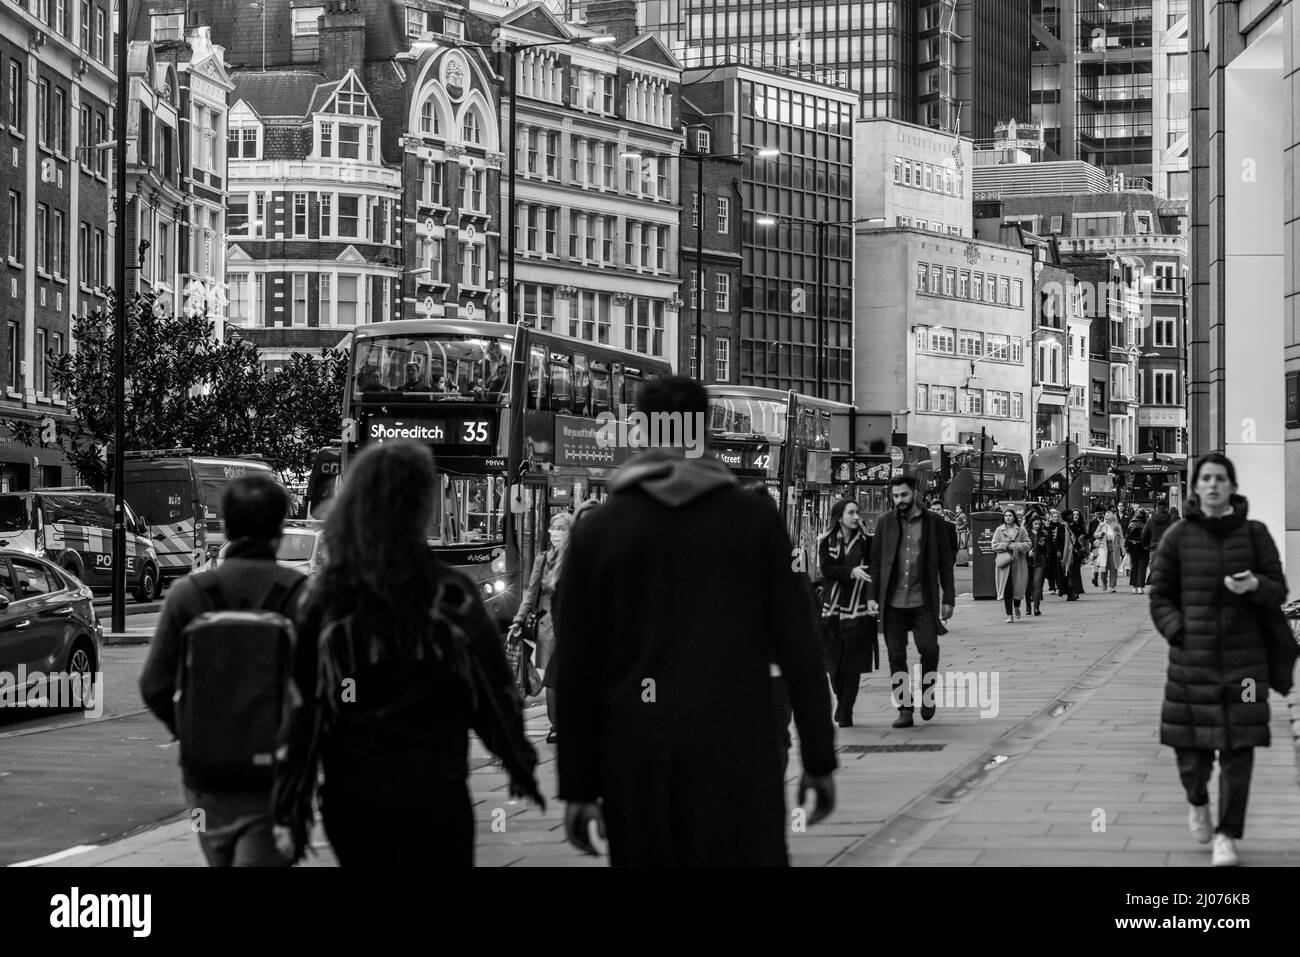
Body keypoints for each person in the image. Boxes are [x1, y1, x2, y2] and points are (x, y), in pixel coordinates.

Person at [553, 376, 836, 866]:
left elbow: (576, 667)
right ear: (703, 429)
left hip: (639, 758)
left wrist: (577, 786)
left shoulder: (599, 531)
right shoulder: (754, 521)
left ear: (640, 431)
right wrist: (818, 757)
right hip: (737, 751)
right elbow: (799, 644)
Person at [273, 441, 541, 866]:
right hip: (435, 788)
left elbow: (305, 705)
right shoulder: (451, 596)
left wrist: (293, 796)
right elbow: (491, 689)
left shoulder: (326, 600)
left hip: (353, 794)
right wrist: (515, 757)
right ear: (421, 507)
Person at [140, 475, 309, 867]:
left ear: (227, 526)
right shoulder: (301, 595)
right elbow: (322, 690)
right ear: (280, 529)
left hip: (207, 776)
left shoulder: (189, 594)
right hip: (274, 778)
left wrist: (192, 733)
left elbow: (153, 685)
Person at [1147, 452, 1289, 867]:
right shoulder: (1177, 536)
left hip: (1246, 668)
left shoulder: (1256, 534)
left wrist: (1254, 585)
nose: (1212, 485)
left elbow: (1277, 590)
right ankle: (1197, 799)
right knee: (1190, 751)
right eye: (1205, 478)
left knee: (1239, 749)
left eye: (1220, 478)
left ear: (1231, 485)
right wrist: (1178, 631)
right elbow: (1160, 596)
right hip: (1193, 663)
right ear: (1196, 486)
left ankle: (1226, 834)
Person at [866, 474, 956, 729]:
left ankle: (928, 696)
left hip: (922, 601)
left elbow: (945, 563)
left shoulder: (933, 523)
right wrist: (872, 596)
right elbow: (875, 563)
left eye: (904, 495)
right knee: (896, 656)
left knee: (929, 649)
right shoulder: (885, 522)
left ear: (915, 493)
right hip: (893, 603)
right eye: (895, 496)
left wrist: (948, 598)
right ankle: (904, 708)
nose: (899, 500)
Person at [510, 511, 573, 744]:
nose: (556, 533)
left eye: (561, 528)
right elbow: (531, 594)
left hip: (573, 629)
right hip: (549, 629)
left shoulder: (577, 558)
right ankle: (557, 725)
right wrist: (518, 619)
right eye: (553, 528)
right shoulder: (543, 560)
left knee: (564, 679)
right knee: (553, 680)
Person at [818, 499, 878, 728]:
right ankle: (842, 700)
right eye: (850, 512)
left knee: (852, 665)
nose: (856, 516)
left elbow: (873, 570)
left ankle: (845, 710)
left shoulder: (866, 542)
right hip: (832, 610)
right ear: (839, 516)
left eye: (857, 512)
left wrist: (873, 598)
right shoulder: (826, 542)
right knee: (834, 667)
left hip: (859, 610)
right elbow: (826, 569)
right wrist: (850, 572)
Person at [991, 508, 1031, 623]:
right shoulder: (999, 530)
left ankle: (1017, 606)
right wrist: (1005, 545)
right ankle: (1009, 615)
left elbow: (1028, 544)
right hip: (1005, 563)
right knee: (1007, 589)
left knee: (1018, 588)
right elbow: (993, 545)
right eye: (1006, 515)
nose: (1007, 517)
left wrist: (1016, 546)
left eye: (1010, 515)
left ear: (1014, 517)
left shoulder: (1021, 530)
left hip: (1018, 563)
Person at [1026, 513, 1053, 616]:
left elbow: (1048, 550)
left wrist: (1043, 546)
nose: (1037, 525)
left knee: (1037, 584)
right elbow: (1022, 546)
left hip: (1039, 562)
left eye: (1038, 524)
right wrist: (1027, 551)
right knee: (1028, 586)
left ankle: (1036, 607)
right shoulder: (1026, 534)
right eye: (1035, 524)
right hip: (1027, 562)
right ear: (1031, 524)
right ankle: (1028, 606)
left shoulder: (1043, 534)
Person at [1093, 510, 1126, 593]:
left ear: (1112, 516)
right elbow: (1095, 534)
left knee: (1113, 567)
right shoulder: (1102, 525)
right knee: (1103, 568)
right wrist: (1101, 533)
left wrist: (1123, 548)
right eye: (1106, 515)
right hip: (1104, 547)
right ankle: (1104, 582)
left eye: (1108, 515)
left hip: (1114, 548)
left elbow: (1122, 537)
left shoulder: (1117, 526)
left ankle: (1112, 586)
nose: (1106, 516)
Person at [1063, 510, 1089, 601]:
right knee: (1068, 572)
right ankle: (1070, 591)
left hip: (1076, 552)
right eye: (1073, 514)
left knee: (1075, 572)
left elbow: (1086, 536)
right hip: (1067, 552)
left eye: (1077, 514)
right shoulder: (1065, 526)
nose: (1074, 516)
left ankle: (1075, 591)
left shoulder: (1079, 526)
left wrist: (1083, 537)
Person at [1142, 501, 1175, 567]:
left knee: (1154, 572)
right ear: (1166, 508)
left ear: (1157, 508)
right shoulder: (1171, 520)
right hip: (1167, 549)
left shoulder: (1151, 520)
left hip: (1154, 549)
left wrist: (1145, 545)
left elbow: (1144, 534)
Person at [1125, 507, 1149, 593]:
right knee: (1142, 567)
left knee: (1134, 566)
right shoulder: (1146, 523)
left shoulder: (1131, 523)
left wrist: (1127, 547)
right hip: (1144, 547)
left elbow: (1127, 536)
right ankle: (1140, 586)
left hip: (1133, 547)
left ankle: (1134, 586)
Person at [1045, 509, 1068, 596]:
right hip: (1050, 551)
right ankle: (1052, 587)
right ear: (1051, 517)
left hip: (1058, 550)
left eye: (1057, 516)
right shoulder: (1047, 527)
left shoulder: (1061, 526)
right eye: (1054, 516)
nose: (1056, 518)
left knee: (1058, 568)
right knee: (1050, 569)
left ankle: (1059, 586)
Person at [929, 501, 959, 567]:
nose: (935, 511)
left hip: (944, 566)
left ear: (942, 511)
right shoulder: (924, 526)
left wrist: (951, 563)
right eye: (933, 509)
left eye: (938, 509)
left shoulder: (950, 527)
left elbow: (954, 547)